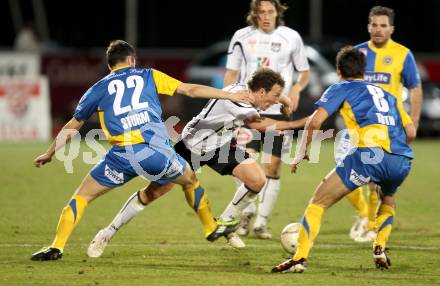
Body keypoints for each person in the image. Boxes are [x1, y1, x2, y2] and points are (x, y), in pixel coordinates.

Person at [30, 40, 257, 261]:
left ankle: (56, 246)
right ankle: (209, 227)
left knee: (81, 196)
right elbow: (190, 89)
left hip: (121, 157)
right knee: (190, 181)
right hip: (157, 154)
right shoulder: (148, 75)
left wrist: (50, 153)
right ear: (131, 60)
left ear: (110, 65)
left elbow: (72, 126)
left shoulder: (97, 89)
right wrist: (229, 94)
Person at [87, 68, 308, 257]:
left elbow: (268, 100)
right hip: (193, 146)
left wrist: (284, 98)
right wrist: (302, 123)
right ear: (261, 91)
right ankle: (106, 233)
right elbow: (258, 124)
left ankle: (225, 222)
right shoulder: (239, 102)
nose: (274, 101)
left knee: (257, 180)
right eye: (274, 95)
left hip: (221, 146)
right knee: (152, 193)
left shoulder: (250, 91)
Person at [271, 46, 416, 273]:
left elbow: (314, 122)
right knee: (387, 199)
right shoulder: (388, 95)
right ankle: (380, 246)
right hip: (401, 159)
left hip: (369, 154)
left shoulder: (342, 87)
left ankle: (299, 258)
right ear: (364, 70)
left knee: (317, 202)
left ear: (339, 70)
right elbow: (411, 132)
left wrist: (302, 151)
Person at [224, 0, 310, 240]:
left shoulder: (291, 37)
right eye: (261, 11)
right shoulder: (241, 36)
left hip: (278, 110)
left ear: (277, 13)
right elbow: (231, 72)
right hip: (249, 109)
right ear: (254, 14)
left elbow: (304, 72)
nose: (265, 16)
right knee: (244, 163)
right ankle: (246, 213)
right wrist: (228, 100)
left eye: (270, 11)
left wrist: (296, 90)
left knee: (271, 166)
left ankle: (261, 223)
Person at [344, 6, 423, 242]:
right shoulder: (356, 53)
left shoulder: (402, 54)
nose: (378, 30)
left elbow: (415, 88)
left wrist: (414, 122)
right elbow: (344, 86)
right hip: (359, 125)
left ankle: (371, 224)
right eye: (374, 25)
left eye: (383, 25)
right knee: (344, 170)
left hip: (389, 127)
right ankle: (364, 216)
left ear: (391, 29)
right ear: (368, 27)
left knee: (376, 180)